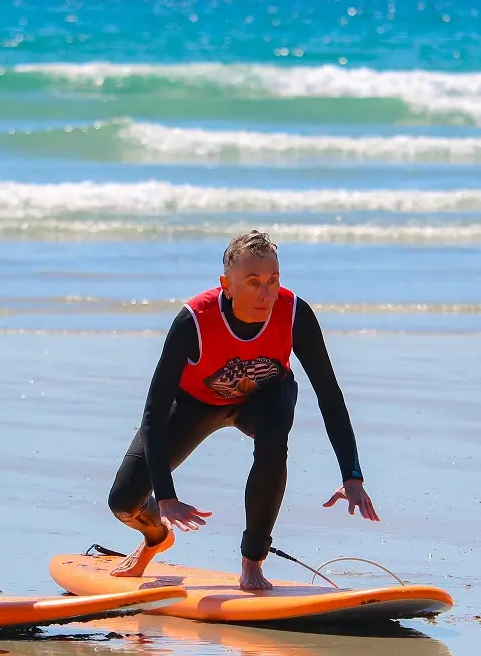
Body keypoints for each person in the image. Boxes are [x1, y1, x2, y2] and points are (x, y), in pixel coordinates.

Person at [107, 230, 377, 591]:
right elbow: (154, 411)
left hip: (261, 401)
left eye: (273, 280)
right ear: (227, 285)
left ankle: (253, 562)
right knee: (123, 501)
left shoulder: (294, 313)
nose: (266, 293)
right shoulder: (195, 321)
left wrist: (352, 475)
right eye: (253, 282)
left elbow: (330, 395)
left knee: (275, 433)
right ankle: (156, 535)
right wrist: (167, 496)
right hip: (195, 405)